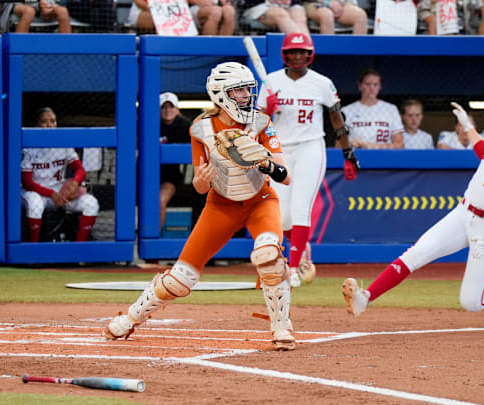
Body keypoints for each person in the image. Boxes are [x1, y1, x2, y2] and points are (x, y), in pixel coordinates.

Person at [105, 62, 298, 350]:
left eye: (248, 90)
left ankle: (281, 327)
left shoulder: (261, 122)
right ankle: (129, 319)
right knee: (180, 279)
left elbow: (285, 176)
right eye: (239, 91)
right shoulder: (201, 129)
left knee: (268, 256)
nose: (246, 96)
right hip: (220, 205)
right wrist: (203, 179)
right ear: (221, 95)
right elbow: (199, 186)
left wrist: (266, 163)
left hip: (260, 202)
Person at [342, 95, 484, 317]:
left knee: (472, 303)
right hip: (463, 213)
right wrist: (468, 126)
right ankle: (365, 298)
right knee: (416, 254)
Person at [256, 32, 357, 288]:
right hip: (279, 150)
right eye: (293, 51)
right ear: (285, 54)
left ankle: (292, 269)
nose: (298, 56)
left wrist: (348, 154)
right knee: (282, 218)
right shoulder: (271, 82)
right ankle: (303, 248)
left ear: (310, 54)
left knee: (301, 208)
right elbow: (256, 124)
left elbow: (337, 120)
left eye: (302, 51)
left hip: (311, 147)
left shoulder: (322, 82)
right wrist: (267, 109)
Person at [21, 107, 99, 242]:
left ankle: (79, 250)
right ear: (37, 125)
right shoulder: (29, 146)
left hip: (59, 192)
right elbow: (27, 182)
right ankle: (33, 253)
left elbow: (80, 170)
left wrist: (74, 185)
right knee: (35, 204)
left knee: (91, 203)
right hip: (35, 192)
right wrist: (51, 194)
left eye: (53, 121)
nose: (49, 125)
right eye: (44, 122)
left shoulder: (63, 143)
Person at [341, 68, 404, 149]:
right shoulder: (347, 110)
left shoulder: (391, 109)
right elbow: (338, 145)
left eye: (375, 84)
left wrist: (374, 146)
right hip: (356, 156)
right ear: (360, 86)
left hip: (384, 157)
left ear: (380, 87)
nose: (371, 88)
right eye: (367, 84)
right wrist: (350, 144)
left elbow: (399, 144)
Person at [159, 92, 194, 232]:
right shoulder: (147, 124)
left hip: (169, 176)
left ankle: (153, 237)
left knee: (159, 201)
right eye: (163, 107)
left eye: (171, 107)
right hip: (144, 175)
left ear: (177, 109)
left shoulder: (186, 126)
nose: (167, 111)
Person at [241, 0, 311, 34]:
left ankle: (307, 49)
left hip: (287, 6)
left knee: (298, 15)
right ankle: (297, 48)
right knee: (280, 14)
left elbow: (296, 2)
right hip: (258, 5)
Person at [303, 0, 368, 34]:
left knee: (360, 16)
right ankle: (328, 55)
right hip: (314, 3)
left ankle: (357, 56)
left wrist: (349, 4)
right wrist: (328, 2)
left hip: (340, 5)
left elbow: (350, 1)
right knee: (327, 15)